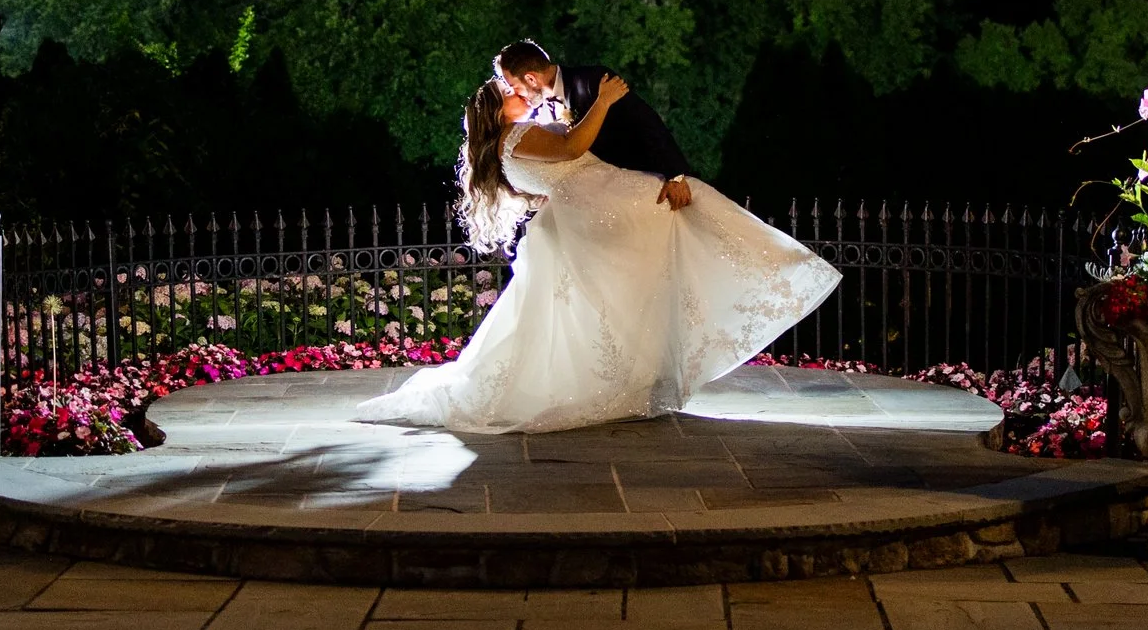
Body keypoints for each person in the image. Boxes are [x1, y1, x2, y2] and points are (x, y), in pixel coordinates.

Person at [351, 64, 841, 436]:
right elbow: (571, 149)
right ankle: (776, 270)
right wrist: (602, 101)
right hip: (606, 208)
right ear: (499, 111)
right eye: (510, 94)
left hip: (588, 214)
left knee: (611, 301)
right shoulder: (517, 135)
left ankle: (666, 350)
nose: (519, 95)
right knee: (692, 217)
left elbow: (552, 174)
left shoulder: (506, 149)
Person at [494, 38, 693, 211]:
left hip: (651, 182)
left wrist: (674, 174)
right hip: (608, 199)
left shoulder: (593, 80)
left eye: (515, 87)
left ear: (531, 78)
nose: (517, 94)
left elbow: (646, 120)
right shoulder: (541, 112)